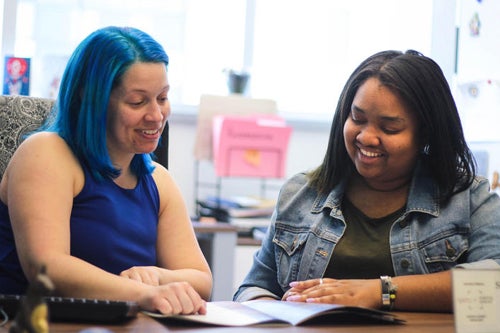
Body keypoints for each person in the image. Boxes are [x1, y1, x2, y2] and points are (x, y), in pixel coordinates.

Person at [233, 50, 500, 312]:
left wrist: (382, 292)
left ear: (426, 133)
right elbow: (253, 287)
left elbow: (494, 283)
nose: (366, 137)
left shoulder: (469, 199)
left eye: (389, 128)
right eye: (357, 119)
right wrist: (274, 313)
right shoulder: (299, 194)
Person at [0, 26, 212, 315]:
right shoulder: (46, 153)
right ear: (93, 101)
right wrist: (145, 294)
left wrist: (159, 276)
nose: (156, 115)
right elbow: (46, 268)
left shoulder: (159, 180)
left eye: (162, 98)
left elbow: (201, 279)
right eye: (137, 101)